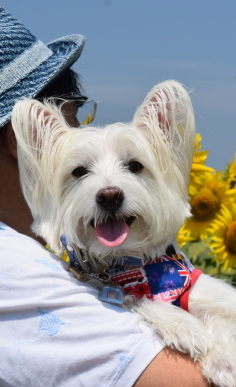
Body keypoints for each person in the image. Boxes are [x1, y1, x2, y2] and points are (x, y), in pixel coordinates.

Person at [0, 7, 209, 386]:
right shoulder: (16, 271)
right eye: (75, 116)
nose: (81, 131)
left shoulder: (57, 252)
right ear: (24, 140)